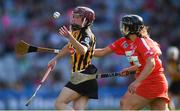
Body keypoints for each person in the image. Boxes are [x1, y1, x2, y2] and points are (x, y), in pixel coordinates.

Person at [94, 14, 169, 110]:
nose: (122, 28)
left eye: (124, 26)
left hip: (152, 81)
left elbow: (151, 63)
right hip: (154, 82)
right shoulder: (123, 41)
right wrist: (81, 50)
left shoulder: (143, 41)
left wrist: (137, 82)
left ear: (132, 28)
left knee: (126, 104)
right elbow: (101, 52)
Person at [48, 6, 98, 110]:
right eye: (73, 16)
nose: (73, 18)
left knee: (59, 104)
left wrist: (69, 37)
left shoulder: (86, 34)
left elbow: (83, 50)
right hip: (84, 77)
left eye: (77, 17)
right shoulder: (76, 32)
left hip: (83, 75)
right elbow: (68, 47)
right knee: (78, 109)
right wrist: (55, 59)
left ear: (85, 20)